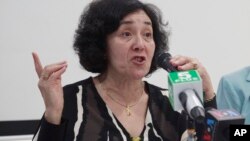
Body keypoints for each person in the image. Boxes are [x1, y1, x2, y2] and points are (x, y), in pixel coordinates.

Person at [32, 0, 216, 140]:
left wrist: (208, 97)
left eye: (147, 35)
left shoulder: (171, 103)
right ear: (102, 44)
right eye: (126, 34)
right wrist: (53, 115)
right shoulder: (71, 99)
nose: (140, 44)